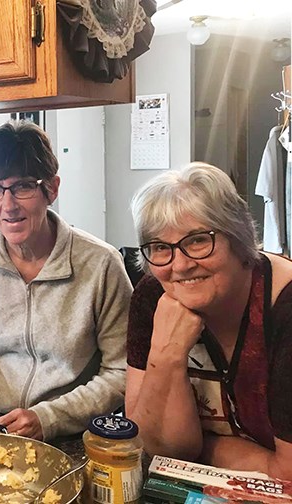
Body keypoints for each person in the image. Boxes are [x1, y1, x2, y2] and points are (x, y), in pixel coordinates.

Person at [0, 121, 131, 440]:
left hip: (72, 429)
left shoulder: (101, 265)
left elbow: (122, 372)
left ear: (52, 188)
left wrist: (49, 418)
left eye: (22, 187)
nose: (7, 205)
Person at [126, 162, 292, 479]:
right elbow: (149, 441)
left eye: (198, 240)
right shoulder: (152, 296)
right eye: (161, 247)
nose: (181, 264)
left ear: (238, 238)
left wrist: (201, 446)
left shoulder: (285, 311)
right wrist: (167, 352)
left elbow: (288, 476)